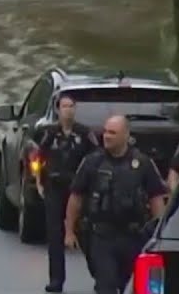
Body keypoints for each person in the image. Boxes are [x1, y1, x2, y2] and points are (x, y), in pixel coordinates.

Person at [65, 115, 168, 294]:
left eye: (112, 133)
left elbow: (156, 198)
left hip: (133, 236)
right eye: (105, 132)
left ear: (126, 135)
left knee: (132, 285)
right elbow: (76, 197)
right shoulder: (93, 162)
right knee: (106, 283)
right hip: (101, 237)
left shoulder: (142, 163)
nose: (106, 136)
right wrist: (69, 231)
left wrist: (159, 232)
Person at [32, 94, 100, 293]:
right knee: (54, 235)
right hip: (54, 188)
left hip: (78, 189)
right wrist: (39, 181)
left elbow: (97, 158)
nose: (68, 110)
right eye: (64, 106)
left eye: (71, 106)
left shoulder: (85, 133)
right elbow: (38, 158)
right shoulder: (50, 133)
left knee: (85, 233)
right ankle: (56, 280)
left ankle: (99, 275)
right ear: (58, 110)